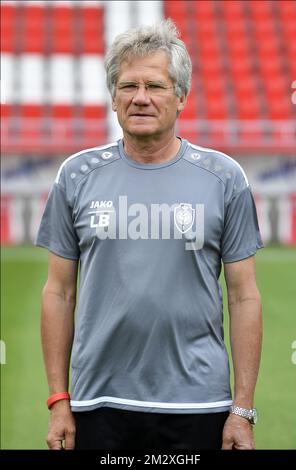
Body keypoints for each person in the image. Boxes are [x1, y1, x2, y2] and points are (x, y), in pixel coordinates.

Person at [36, 19, 263, 450]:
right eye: (128, 86)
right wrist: (58, 400)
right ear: (113, 97)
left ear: (181, 97)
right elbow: (59, 292)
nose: (140, 98)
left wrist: (242, 408)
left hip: (198, 404)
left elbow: (244, 297)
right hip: (97, 402)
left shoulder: (224, 178)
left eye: (155, 86)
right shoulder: (76, 175)